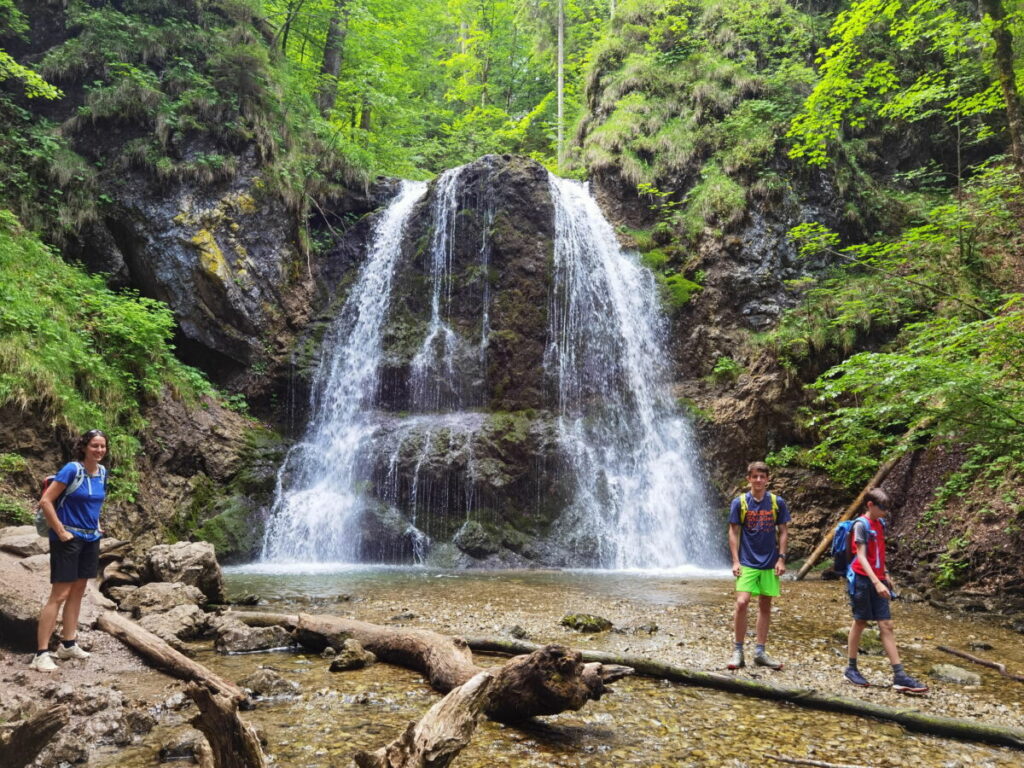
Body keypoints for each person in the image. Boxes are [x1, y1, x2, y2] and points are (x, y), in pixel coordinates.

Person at [30, 429, 108, 672]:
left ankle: (68, 644)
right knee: (60, 594)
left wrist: (97, 525)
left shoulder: (102, 472)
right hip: (68, 538)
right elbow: (46, 501)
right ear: (84, 447)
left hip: (90, 539)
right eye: (94, 446)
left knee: (78, 591)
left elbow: (95, 503)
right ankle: (41, 654)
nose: (99, 450)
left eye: (102, 446)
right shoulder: (72, 470)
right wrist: (61, 532)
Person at [843, 488, 929, 694]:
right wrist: (876, 582)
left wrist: (886, 574)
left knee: (886, 624)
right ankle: (851, 668)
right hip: (863, 581)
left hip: (878, 578)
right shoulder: (861, 525)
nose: (885, 512)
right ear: (870, 505)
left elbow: (878, 551)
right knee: (860, 621)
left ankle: (899, 676)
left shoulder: (879, 523)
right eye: (882, 508)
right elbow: (862, 557)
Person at [727, 461, 790, 670]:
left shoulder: (776, 502)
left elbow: (783, 531)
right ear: (749, 479)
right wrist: (735, 561)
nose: (758, 480)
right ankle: (738, 650)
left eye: (762, 477)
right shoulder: (740, 503)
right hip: (747, 561)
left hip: (770, 562)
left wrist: (781, 558)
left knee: (765, 604)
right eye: (755, 476)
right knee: (742, 602)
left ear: (767, 479)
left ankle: (760, 652)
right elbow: (733, 531)